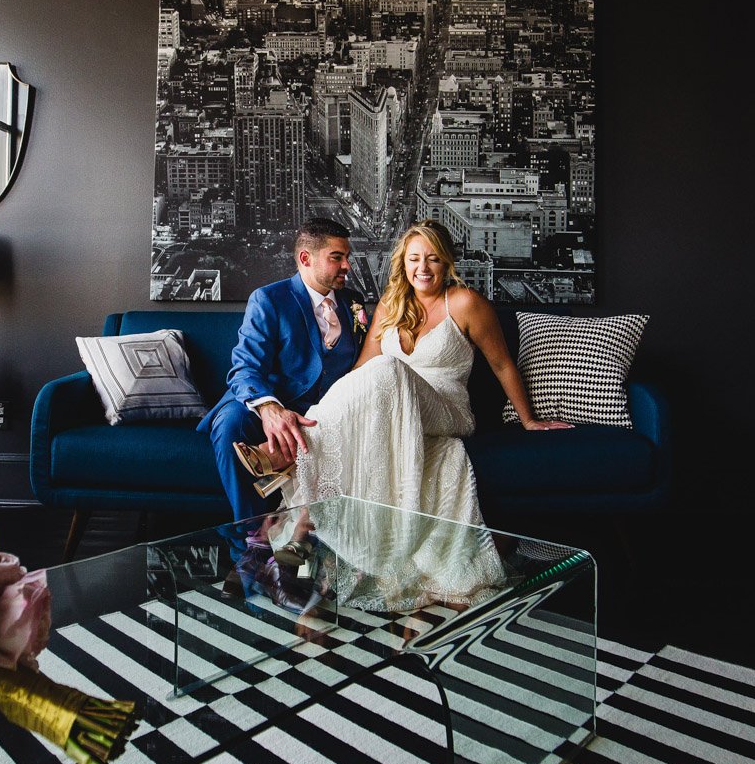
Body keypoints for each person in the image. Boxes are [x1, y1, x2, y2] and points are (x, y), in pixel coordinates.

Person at [233, 220, 571, 611]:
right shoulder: (391, 307)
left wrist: (528, 419)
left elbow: (502, 364)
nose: (422, 268)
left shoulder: (465, 303)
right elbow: (359, 373)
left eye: (432, 259)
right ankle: (303, 531)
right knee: (375, 376)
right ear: (403, 263)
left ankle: (287, 455)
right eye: (414, 259)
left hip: (445, 408)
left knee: (390, 369)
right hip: (397, 411)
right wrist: (331, 418)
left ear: (446, 263)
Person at [199, 217, 363, 521]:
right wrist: (270, 409)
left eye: (347, 257)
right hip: (274, 400)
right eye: (336, 258)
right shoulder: (270, 300)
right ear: (305, 259)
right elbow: (244, 367)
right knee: (230, 425)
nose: (347, 266)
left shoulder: (354, 302)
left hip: (329, 410)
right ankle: (251, 533)